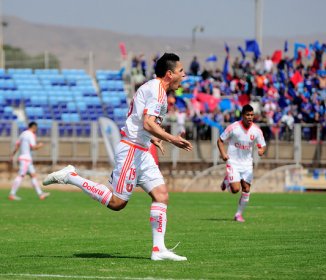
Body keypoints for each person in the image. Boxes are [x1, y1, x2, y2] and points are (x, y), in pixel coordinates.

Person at [43, 53, 192, 261]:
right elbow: (148, 122)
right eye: (181, 71)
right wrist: (170, 139)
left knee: (161, 195)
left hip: (142, 150)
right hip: (132, 150)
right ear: (169, 74)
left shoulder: (156, 89)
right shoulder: (157, 91)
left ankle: (158, 250)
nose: (184, 75)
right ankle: (71, 176)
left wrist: (152, 139)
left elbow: (143, 123)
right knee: (117, 203)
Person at [217, 104, 266, 222]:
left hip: (247, 164)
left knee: (246, 189)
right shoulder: (233, 128)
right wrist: (223, 154)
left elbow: (262, 145)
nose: (250, 117)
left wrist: (261, 150)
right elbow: (220, 140)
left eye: (252, 115)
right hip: (233, 162)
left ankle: (238, 214)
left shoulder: (257, 131)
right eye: (248, 115)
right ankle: (227, 180)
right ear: (242, 115)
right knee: (235, 190)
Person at [9, 122, 50, 201]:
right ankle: (12, 194)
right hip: (26, 159)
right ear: (34, 127)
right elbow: (33, 147)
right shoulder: (30, 135)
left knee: (33, 176)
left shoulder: (23, 134)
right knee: (21, 175)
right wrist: (40, 145)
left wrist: (12, 155)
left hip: (25, 158)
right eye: (36, 128)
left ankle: (40, 194)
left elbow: (17, 145)